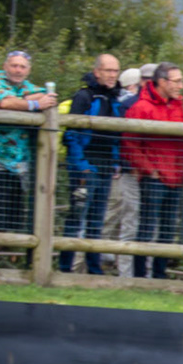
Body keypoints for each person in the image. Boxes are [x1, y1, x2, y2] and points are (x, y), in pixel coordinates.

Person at [0, 50, 57, 268]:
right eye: (14, 65)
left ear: (29, 70)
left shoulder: (29, 87)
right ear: (5, 66)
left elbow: (48, 97)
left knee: (8, 218)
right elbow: (7, 102)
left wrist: (11, 100)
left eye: (22, 67)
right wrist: (33, 104)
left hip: (20, 165)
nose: (18, 70)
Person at [121, 61, 183, 280]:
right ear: (162, 82)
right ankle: (141, 276)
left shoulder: (177, 105)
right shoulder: (141, 107)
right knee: (147, 228)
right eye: (177, 81)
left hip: (175, 177)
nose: (181, 86)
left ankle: (159, 275)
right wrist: (149, 170)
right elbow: (129, 143)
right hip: (155, 178)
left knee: (168, 231)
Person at [59, 53, 122, 275]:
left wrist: (115, 162)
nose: (112, 75)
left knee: (97, 220)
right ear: (97, 72)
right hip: (85, 168)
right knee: (77, 217)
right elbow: (71, 134)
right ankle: (64, 268)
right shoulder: (83, 96)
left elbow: (117, 134)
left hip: (105, 167)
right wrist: (81, 165)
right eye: (108, 70)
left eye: (115, 71)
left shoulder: (114, 99)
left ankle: (94, 269)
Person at [100, 65, 146, 277]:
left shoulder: (120, 102)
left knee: (119, 217)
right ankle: (104, 258)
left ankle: (107, 259)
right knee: (116, 216)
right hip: (121, 170)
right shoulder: (126, 104)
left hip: (121, 168)